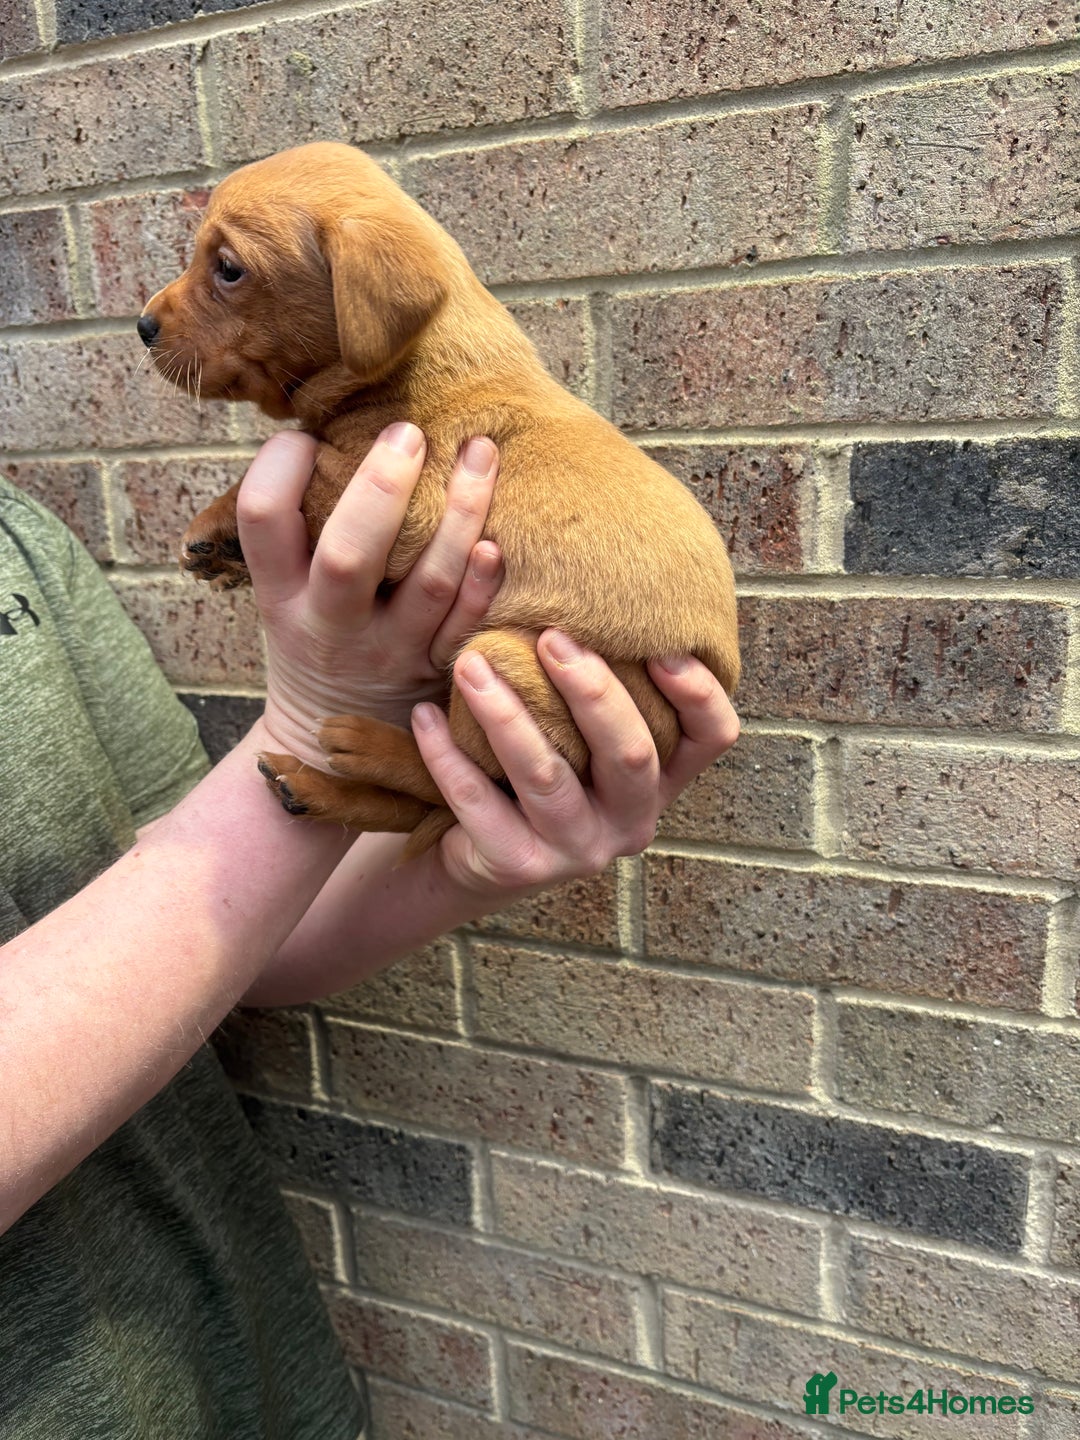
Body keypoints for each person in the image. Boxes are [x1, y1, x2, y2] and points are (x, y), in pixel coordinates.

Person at [0, 422, 740, 1438]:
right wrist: (315, 731)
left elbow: (202, 928)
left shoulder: (16, 532)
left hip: (237, 1364)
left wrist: (462, 862)